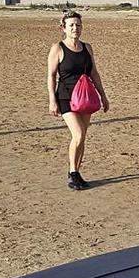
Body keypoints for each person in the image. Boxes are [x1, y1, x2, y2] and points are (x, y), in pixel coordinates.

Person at [46, 10, 110, 190]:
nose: (75, 28)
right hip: (66, 96)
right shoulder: (57, 48)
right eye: (71, 25)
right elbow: (51, 76)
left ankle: (77, 173)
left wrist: (103, 95)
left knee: (83, 137)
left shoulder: (87, 48)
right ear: (64, 28)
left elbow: (94, 73)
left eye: (78, 25)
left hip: (86, 97)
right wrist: (52, 100)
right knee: (78, 134)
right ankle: (72, 173)